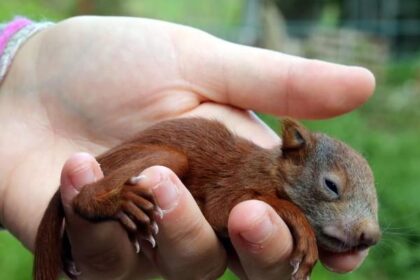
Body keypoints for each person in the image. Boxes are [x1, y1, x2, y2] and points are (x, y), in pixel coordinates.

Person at [0, 16, 375, 279]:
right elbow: (220, 212)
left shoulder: (271, 189)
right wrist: (296, 221)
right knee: (168, 161)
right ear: (293, 152)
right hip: (149, 157)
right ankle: (97, 198)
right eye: (331, 189)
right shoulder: (257, 172)